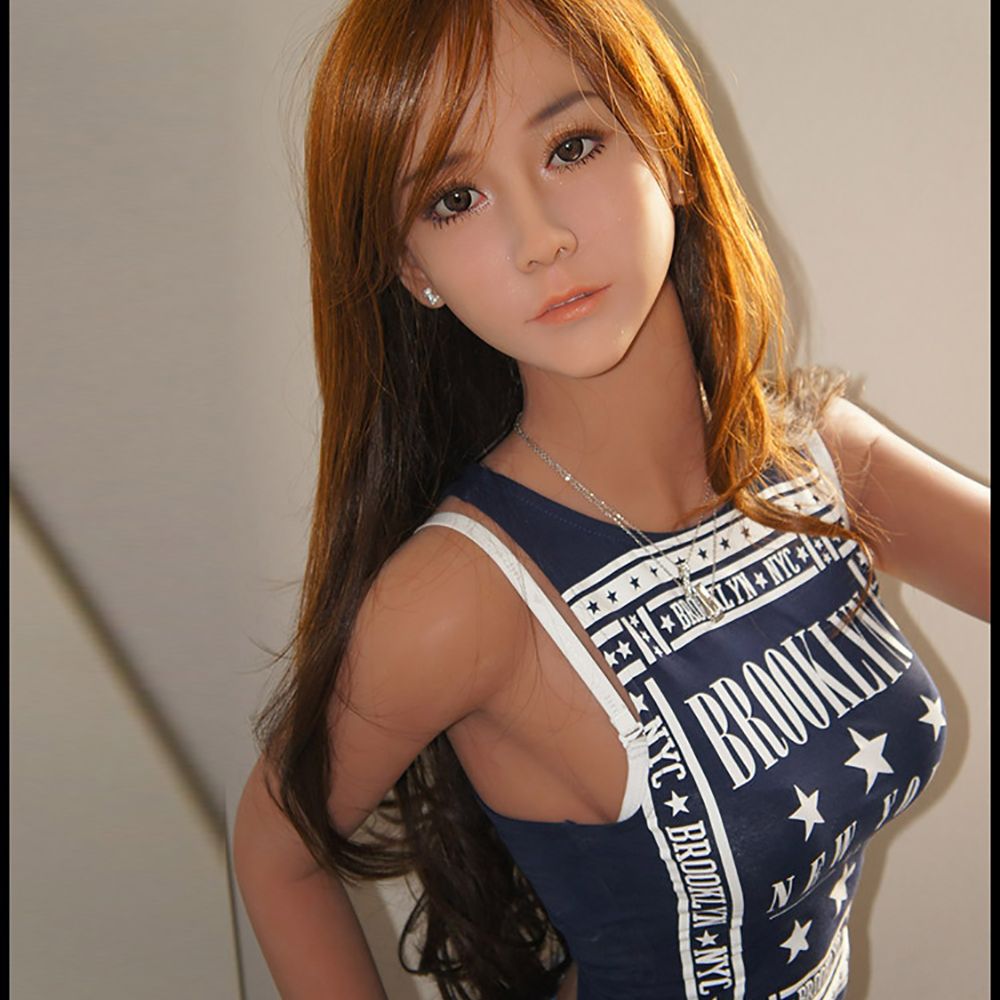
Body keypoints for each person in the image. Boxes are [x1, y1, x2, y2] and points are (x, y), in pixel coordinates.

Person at [232, 1, 990, 997]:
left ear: (667, 147)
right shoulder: (463, 597)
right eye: (455, 199)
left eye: (571, 146)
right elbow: (276, 850)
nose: (540, 238)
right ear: (414, 269)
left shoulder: (816, 458)